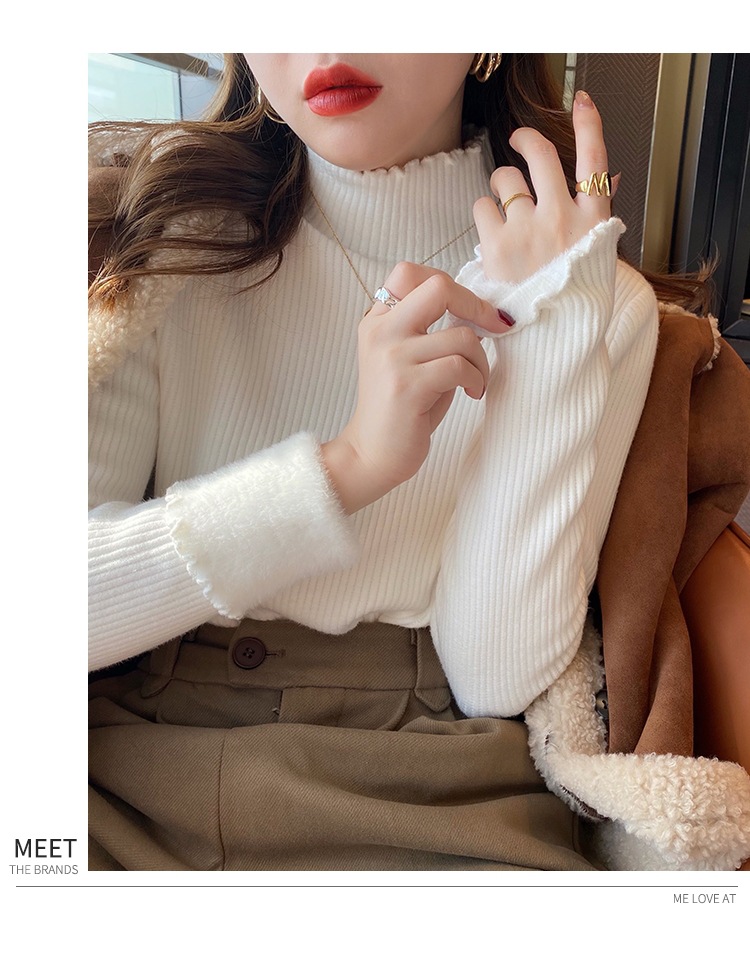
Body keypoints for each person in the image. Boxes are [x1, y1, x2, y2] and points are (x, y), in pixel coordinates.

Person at [88, 54, 720, 871]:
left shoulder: (594, 298)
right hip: (135, 767)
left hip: (441, 790)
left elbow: (491, 676)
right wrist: (345, 468)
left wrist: (553, 332)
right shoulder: (156, 244)